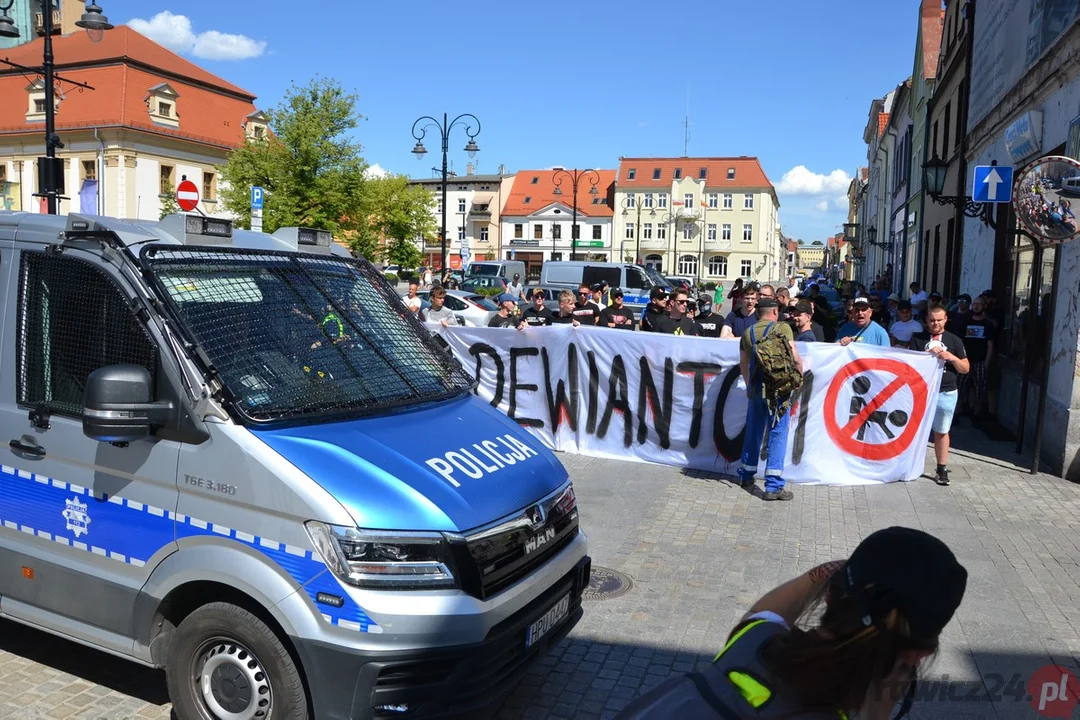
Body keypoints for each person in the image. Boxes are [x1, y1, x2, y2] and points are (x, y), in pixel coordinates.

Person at [616, 526, 968, 720]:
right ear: (919, 654)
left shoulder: (751, 647)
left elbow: (764, 615)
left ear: (831, 595)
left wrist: (832, 573)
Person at [738, 297, 801, 501]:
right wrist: (798, 379)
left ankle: (746, 475)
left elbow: (743, 363)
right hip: (778, 389)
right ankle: (773, 486)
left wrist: (748, 387)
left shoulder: (747, 333)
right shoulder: (783, 328)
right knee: (777, 432)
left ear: (758, 313)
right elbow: (794, 357)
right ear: (775, 312)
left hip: (757, 387)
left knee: (753, 430)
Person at [914, 304, 970, 486]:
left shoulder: (954, 340)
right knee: (915, 430)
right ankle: (911, 464)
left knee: (942, 430)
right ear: (926, 321)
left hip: (946, 392)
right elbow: (909, 364)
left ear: (946, 319)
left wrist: (951, 357)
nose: (935, 323)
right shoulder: (918, 338)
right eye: (932, 320)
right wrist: (926, 355)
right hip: (922, 391)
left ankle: (941, 468)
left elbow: (965, 368)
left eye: (939, 320)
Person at [960, 297, 996, 420]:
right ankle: (956, 414)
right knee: (960, 387)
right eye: (974, 304)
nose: (976, 307)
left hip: (980, 361)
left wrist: (986, 362)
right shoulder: (965, 321)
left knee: (979, 389)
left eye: (979, 304)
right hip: (965, 360)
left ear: (984, 306)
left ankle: (976, 414)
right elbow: (960, 341)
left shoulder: (988, 324)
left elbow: (990, 345)